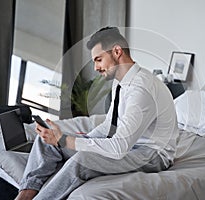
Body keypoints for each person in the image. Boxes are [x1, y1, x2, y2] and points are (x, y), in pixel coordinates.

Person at [15, 26, 178, 200]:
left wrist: (68, 141)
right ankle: (24, 195)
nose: (95, 67)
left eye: (99, 60)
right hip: (128, 145)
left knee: (83, 160)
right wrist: (81, 140)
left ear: (116, 51)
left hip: (151, 154)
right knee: (46, 143)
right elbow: (110, 126)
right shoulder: (120, 81)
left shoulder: (142, 88)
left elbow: (118, 148)